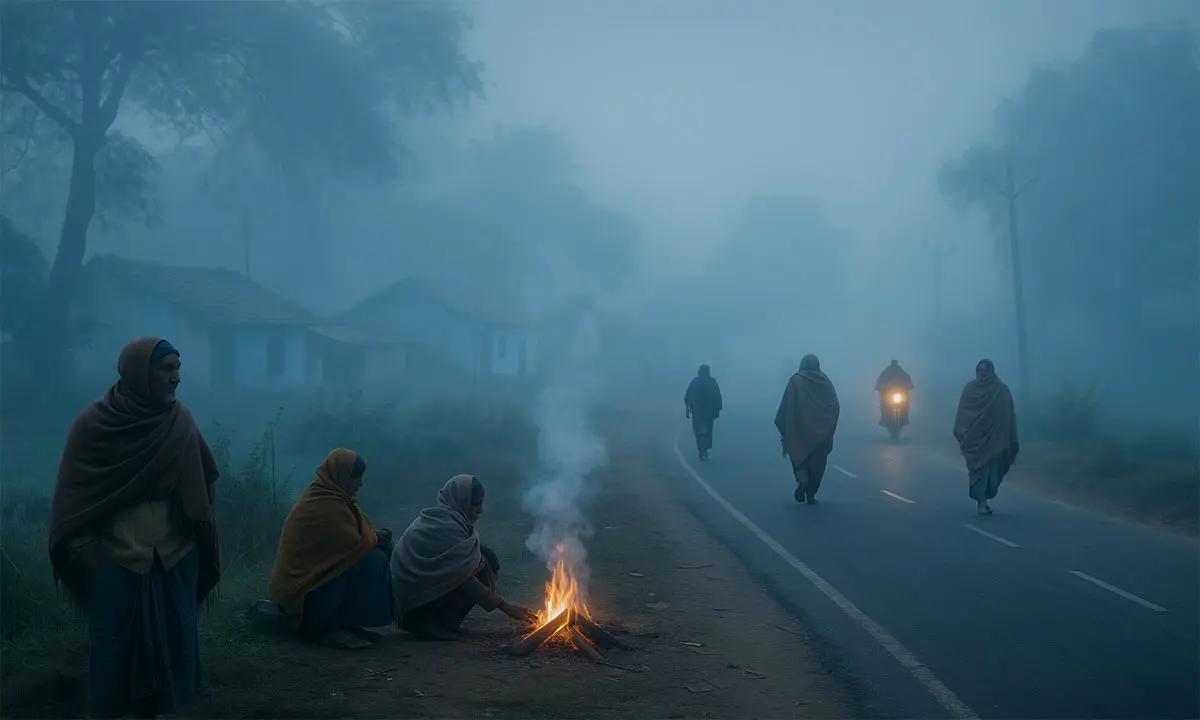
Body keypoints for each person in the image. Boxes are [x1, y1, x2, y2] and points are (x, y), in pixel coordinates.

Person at [48, 337, 220, 719]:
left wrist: (195, 522)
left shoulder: (180, 421)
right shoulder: (95, 424)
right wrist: (88, 551)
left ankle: (171, 712)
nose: (176, 378)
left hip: (176, 554)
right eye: (166, 369)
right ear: (139, 374)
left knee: (177, 640)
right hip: (116, 556)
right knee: (113, 648)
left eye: (178, 369)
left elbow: (204, 478)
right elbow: (73, 497)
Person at [268, 448, 394, 650]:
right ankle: (324, 627)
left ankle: (346, 623)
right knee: (373, 561)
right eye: (356, 479)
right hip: (302, 590)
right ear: (342, 476)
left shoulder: (332, 495)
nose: (360, 484)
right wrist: (376, 538)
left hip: (314, 578)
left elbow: (353, 536)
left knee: (375, 556)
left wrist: (375, 538)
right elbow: (350, 542)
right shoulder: (323, 504)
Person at [390, 475, 536, 640]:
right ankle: (427, 625)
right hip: (413, 605)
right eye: (476, 504)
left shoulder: (456, 521)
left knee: (485, 559)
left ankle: (446, 623)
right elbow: (463, 579)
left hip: (429, 594)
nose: (480, 509)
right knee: (477, 568)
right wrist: (506, 607)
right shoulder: (442, 527)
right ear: (462, 501)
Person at [954, 359, 1019, 515]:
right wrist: (965, 433)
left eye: (985, 371)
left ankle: (985, 499)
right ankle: (981, 502)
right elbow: (964, 413)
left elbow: (1008, 415)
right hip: (975, 440)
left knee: (992, 474)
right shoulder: (970, 389)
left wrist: (1005, 436)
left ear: (992, 371)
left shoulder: (1001, 390)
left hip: (996, 439)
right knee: (979, 472)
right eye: (979, 371)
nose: (982, 374)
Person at [775, 354, 841, 504]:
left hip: (799, 431)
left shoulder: (795, 381)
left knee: (800, 458)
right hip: (822, 433)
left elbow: (786, 405)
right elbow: (834, 405)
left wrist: (788, 427)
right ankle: (811, 492)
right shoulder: (825, 381)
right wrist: (827, 424)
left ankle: (802, 481)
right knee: (818, 463)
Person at [684, 364, 724, 460]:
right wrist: (718, 408)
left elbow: (687, 396)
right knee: (708, 431)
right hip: (708, 412)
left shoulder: (695, 382)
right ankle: (704, 448)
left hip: (697, 411)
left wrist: (687, 409)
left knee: (698, 431)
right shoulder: (712, 381)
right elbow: (718, 396)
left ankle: (701, 449)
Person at [875, 359, 914, 426]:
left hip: (900, 394)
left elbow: (908, 382)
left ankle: (905, 419)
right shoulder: (885, 373)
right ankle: (884, 419)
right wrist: (880, 387)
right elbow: (880, 381)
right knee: (884, 405)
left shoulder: (902, 373)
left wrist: (909, 386)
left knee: (905, 405)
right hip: (888, 394)